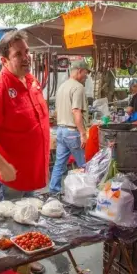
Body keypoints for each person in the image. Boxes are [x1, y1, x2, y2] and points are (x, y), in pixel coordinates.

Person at [0, 30, 49, 274]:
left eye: (27, 52)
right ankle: (13, 272)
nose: (26, 58)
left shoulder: (31, 81)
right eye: (18, 54)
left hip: (30, 172)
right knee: (11, 224)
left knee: (28, 216)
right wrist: (2, 165)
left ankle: (25, 256)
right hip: (10, 176)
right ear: (4, 60)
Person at [48, 60, 90, 194]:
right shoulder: (78, 87)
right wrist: (83, 134)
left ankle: (53, 190)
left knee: (59, 164)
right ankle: (86, 193)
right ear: (79, 71)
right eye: (86, 73)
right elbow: (76, 111)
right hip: (72, 132)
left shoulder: (62, 86)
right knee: (84, 164)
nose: (87, 76)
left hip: (61, 131)